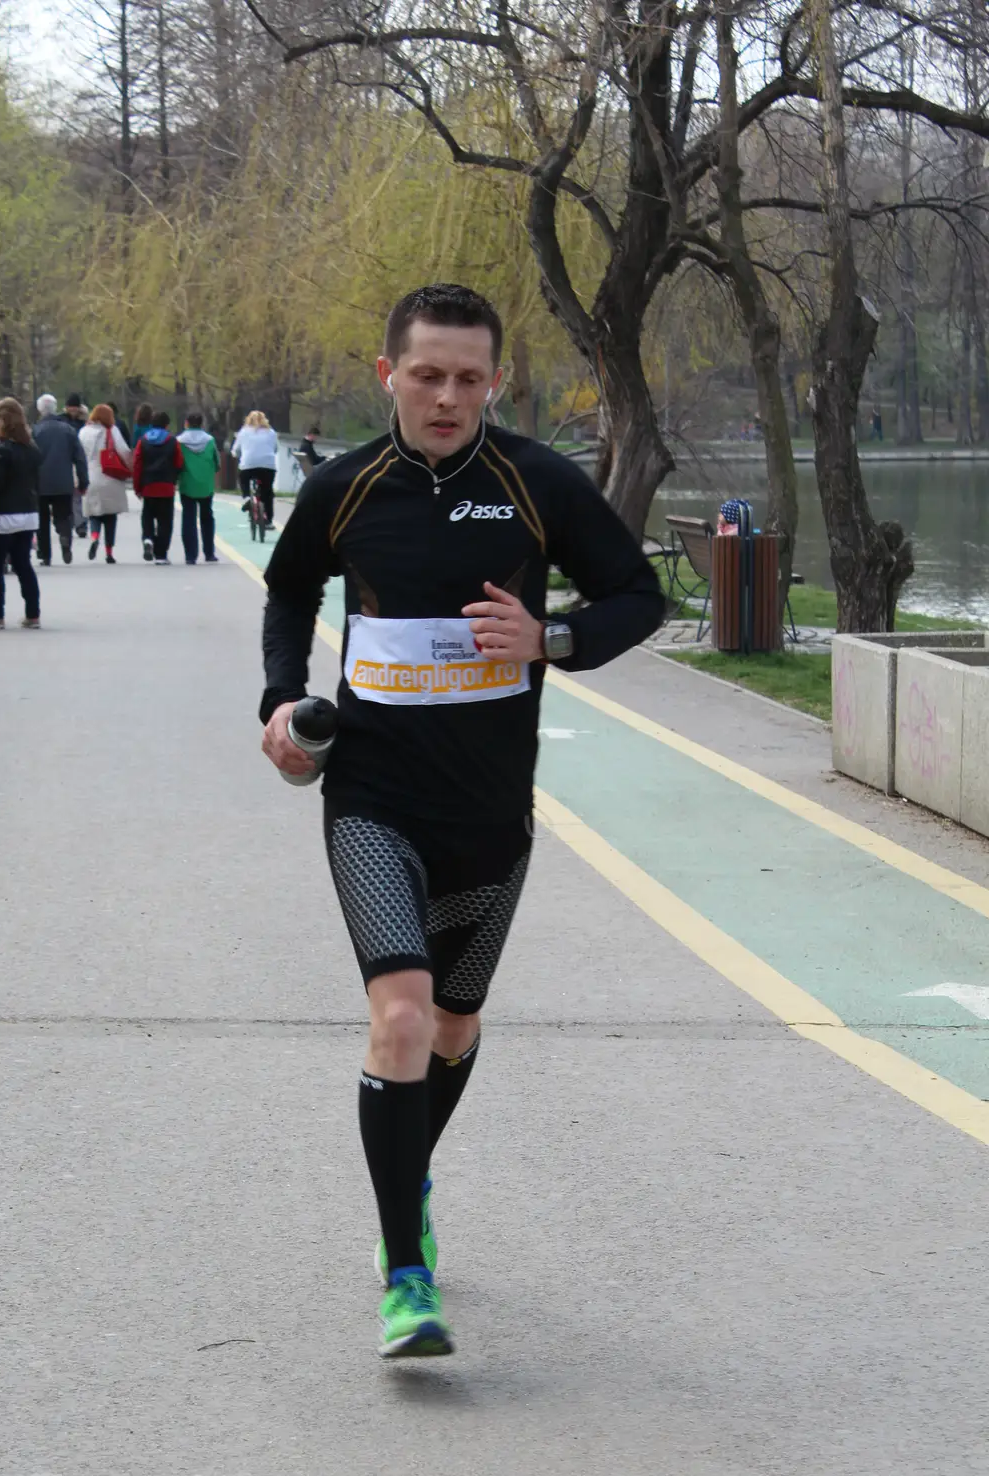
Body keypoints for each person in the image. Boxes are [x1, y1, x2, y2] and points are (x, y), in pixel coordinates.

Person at [258, 283, 664, 1359]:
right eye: (426, 375)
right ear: (386, 374)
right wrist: (278, 702)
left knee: (450, 1026)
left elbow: (637, 596)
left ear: (495, 382)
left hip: (489, 810)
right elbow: (288, 592)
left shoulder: (535, 482)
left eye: (468, 379)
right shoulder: (344, 487)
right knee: (399, 1018)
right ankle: (406, 1275)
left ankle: (409, 1173)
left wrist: (552, 639)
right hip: (371, 798)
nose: (446, 397)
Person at [0, 396, 44, 628]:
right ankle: (33, 614)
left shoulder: (0, 450)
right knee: (23, 564)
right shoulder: (32, 449)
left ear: (4, 420)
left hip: (3, 514)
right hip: (28, 512)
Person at [33, 394, 88, 565]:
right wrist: (83, 480)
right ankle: (65, 537)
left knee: (42, 519)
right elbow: (80, 458)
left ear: (40, 410)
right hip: (63, 480)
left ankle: (45, 554)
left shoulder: (35, 431)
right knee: (64, 515)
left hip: (40, 482)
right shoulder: (68, 430)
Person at [77, 403, 131, 561]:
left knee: (94, 513)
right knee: (110, 517)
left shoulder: (84, 431)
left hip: (90, 475)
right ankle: (109, 552)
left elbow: (78, 455)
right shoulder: (112, 430)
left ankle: (94, 537)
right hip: (110, 475)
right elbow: (124, 451)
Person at [131, 409, 183, 564]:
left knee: (147, 515)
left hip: (148, 485)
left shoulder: (143, 441)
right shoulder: (172, 441)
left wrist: (137, 487)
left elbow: (137, 465)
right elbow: (179, 462)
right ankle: (161, 555)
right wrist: (174, 477)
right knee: (165, 521)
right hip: (166, 486)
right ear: (167, 425)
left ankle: (147, 538)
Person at [177, 411, 219, 564]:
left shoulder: (179, 441)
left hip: (187, 484)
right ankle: (209, 553)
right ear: (202, 424)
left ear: (186, 423)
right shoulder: (210, 440)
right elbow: (217, 463)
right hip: (206, 485)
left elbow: (176, 462)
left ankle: (190, 555)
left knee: (188, 518)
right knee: (207, 517)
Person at [232, 410, 278, 526]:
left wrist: (237, 455)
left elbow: (236, 450)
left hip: (248, 466)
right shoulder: (271, 432)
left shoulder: (243, 432)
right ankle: (268, 521)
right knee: (267, 491)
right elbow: (275, 449)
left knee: (243, 477)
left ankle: (247, 498)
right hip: (268, 466)